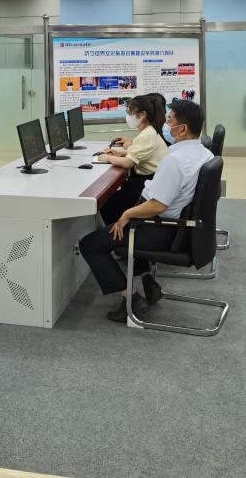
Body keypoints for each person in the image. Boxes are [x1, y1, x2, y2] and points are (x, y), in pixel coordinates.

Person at [78, 100, 213, 323]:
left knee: (90, 244)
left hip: (160, 228)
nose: (166, 125)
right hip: (179, 228)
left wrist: (128, 215)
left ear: (182, 129)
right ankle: (147, 278)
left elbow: (158, 205)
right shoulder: (203, 153)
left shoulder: (176, 161)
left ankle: (132, 300)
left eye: (170, 121)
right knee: (118, 220)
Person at [95, 95, 169, 223]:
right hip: (150, 181)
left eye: (130, 113)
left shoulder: (147, 135)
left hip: (146, 186)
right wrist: (120, 153)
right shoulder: (150, 131)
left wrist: (106, 157)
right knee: (112, 199)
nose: (128, 116)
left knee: (107, 204)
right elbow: (139, 153)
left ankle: (115, 231)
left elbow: (128, 163)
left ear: (142, 115)